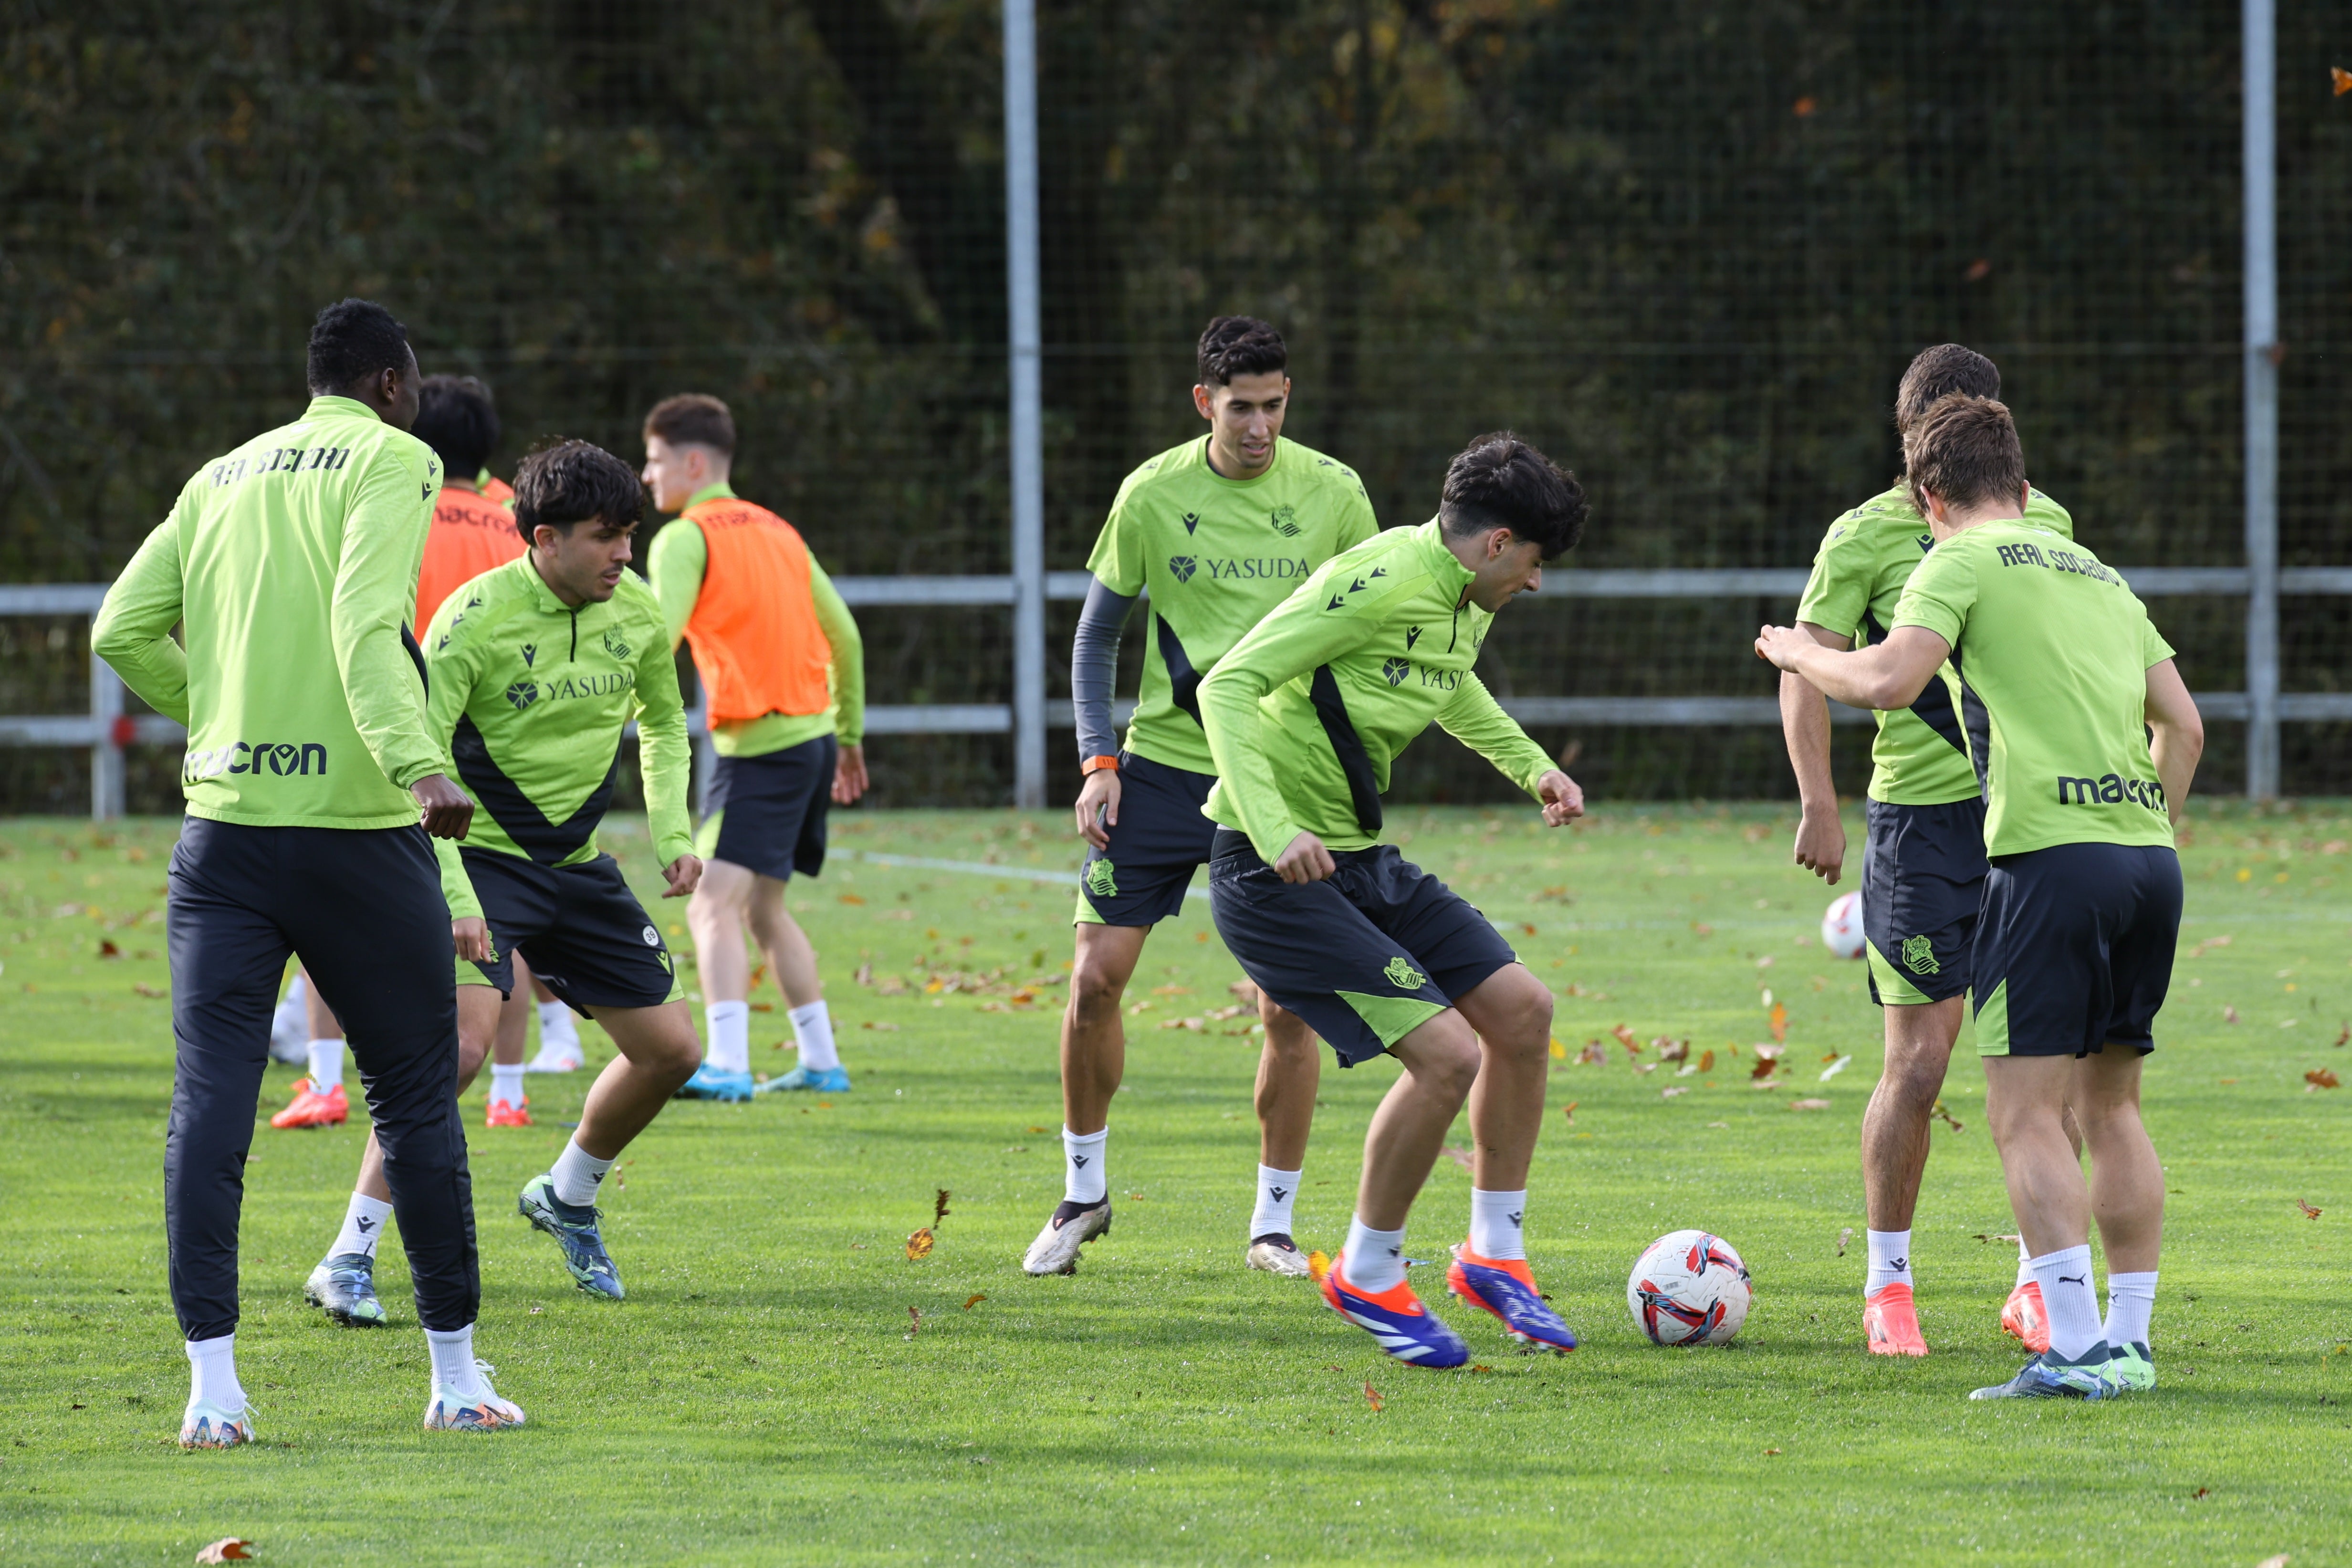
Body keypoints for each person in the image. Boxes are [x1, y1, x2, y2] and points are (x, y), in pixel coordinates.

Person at [93, 297, 523, 1443]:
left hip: (225, 837)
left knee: (212, 1106)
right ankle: (455, 1379)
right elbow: (362, 621)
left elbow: (121, 631)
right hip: (356, 836)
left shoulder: (220, 472)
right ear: (391, 383)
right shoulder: (397, 457)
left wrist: (226, 714)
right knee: (416, 1100)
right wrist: (421, 763)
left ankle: (214, 1395)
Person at [1757, 394, 2200, 1400]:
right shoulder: (2093, 568)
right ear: (2020, 477)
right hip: (2145, 856)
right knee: (2113, 1104)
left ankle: (2077, 1347)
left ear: (1930, 496)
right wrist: (2142, 821)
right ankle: (2128, 1342)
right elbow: (2183, 725)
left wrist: (1795, 653)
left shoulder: (1953, 557)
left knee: (2020, 1115)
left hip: (2046, 860)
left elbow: (1885, 678)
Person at [1196, 432, 1589, 1367]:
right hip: (1270, 870)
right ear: (1497, 543)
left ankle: (1492, 1255)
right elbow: (1227, 684)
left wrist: (1532, 767)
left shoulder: (1464, 596)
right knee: (1446, 1055)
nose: (1535, 583)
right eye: (1534, 562)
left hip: (1361, 858)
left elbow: (1449, 691)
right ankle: (1367, 1270)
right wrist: (1271, 823)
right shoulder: (1378, 575)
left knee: (1522, 1013)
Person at [308, 437, 705, 1320]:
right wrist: (453, 896)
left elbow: (667, 725)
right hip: (479, 859)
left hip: (574, 868)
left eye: (630, 534)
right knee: (456, 1052)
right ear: (542, 536)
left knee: (674, 1052)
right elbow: (422, 762)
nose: (624, 554)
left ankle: (567, 1194)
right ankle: (349, 1256)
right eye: (605, 536)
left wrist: (673, 833)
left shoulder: (637, 612)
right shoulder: (472, 619)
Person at [1021, 316, 1379, 1279]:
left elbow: (1365, 634)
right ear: (1202, 403)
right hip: (1164, 768)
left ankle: (1270, 1225)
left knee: (1285, 1008)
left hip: (1277, 777)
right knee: (1093, 980)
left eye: (1272, 405)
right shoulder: (1151, 493)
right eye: (1239, 407)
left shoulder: (1335, 494)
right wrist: (1098, 761)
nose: (1258, 425)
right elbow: (1097, 637)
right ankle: (1082, 1191)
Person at [1778, 343, 2082, 1356]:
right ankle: (1886, 1284)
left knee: (2050, 1070)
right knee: (1917, 1064)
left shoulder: (2044, 526)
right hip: (1917, 830)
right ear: (1911, 450)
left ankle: (2037, 1284)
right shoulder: (1860, 537)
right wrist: (1818, 800)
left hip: (2026, 822)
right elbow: (1807, 667)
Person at [265, 374, 574, 1135]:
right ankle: (508, 1091)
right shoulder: (514, 523)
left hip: (405, 734)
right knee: (504, 918)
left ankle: (327, 1081)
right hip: (496, 744)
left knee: (328, 899)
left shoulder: (399, 502)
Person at [639, 394, 867, 1101]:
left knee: (709, 904)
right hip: (814, 740)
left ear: (693, 462)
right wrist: (850, 735)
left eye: (654, 462)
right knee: (762, 910)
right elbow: (847, 638)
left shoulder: (684, 537)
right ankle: (821, 1061)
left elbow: (657, 640)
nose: (648, 478)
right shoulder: (778, 529)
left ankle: (729, 1065)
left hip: (760, 751)